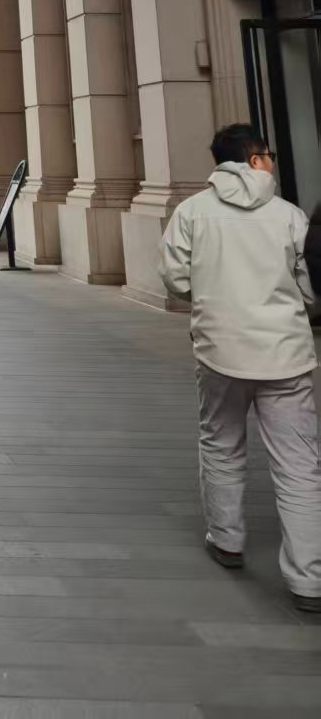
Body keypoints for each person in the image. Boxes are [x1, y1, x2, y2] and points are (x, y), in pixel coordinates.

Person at [160, 123, 321, 610]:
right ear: (254, 159)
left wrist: (212, 296)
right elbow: (309, 286)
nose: (271, 162)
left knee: (221, 443)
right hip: (286, 355)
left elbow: (175, 279)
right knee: (299, 464)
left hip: (220, 351)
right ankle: (309, 578)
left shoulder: (191, 212)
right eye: (268, 155)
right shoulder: (289, 215)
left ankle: (227, 539)